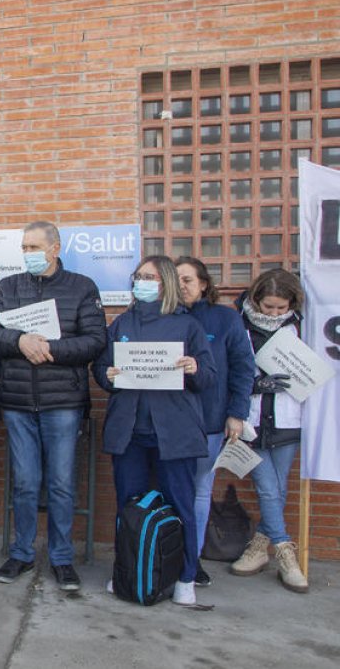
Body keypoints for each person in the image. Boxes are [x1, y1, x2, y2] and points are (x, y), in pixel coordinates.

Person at [0, 221, 106, 592]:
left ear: (55, 248)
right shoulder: (8, 287)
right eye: (25, 247)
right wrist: (20, 342)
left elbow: (96, 340)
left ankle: (62, 558)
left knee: (62, 483)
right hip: (18, 402)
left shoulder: (82, 287)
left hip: (63, 402)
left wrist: (47, 349)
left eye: (35, 247)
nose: (29, 253)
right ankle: (21, 552)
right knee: (25, 482)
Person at [93, 255, 215, 607]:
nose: (141, 282)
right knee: (127, 506)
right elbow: (101, 368)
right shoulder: (122, 323)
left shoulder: (187, 325)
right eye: (138, 276)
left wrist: (192, 368)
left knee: (181, 506)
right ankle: (126, 574)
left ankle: (186, 576)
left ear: (166, 284)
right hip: (129, 431)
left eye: (149, 276)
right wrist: (108, 376)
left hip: (173, 433)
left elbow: (208, 377)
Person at [174, 257, 255, 586]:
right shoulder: (163, 318)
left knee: (200, 491)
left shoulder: (225, 319)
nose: (181, 287)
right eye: (175, 280)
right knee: (170, 490)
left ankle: (192, 559)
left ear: (204, 284)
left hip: (208, 419)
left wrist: (237, 413)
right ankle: (168, 553)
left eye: (187, 280)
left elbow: (243, 367)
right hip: (168, 421)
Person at [229, 269, 309, 593]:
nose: (274, 313)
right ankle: (285, 552)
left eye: (281, 307)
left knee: (278, 486)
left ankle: (260, 548)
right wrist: (256, 384)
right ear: (255, 299)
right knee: (267, 487)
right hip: (251, 418)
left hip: (288, 417)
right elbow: (228, 368)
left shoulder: (300, 325)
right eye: (268, 306)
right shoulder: (238, 324)